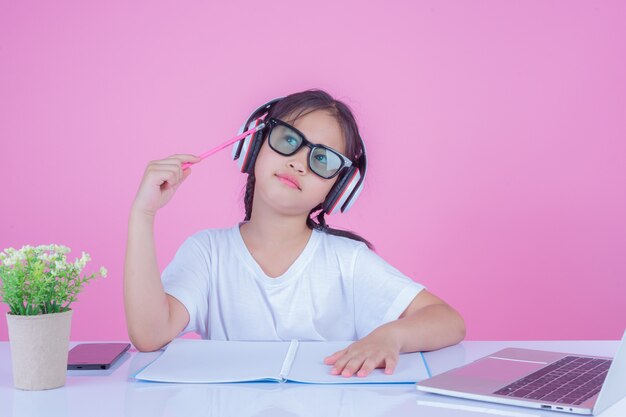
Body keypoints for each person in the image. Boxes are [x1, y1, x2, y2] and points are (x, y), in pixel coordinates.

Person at [124, 89, 465, 378]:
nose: (299, 163)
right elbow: (150, 335)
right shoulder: (207, 253)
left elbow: (448, 321)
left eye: (322, 159)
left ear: (338, 189)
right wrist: (143, 214)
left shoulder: (346, 262)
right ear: (254, 144)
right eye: (288, 139)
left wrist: (392, 336)